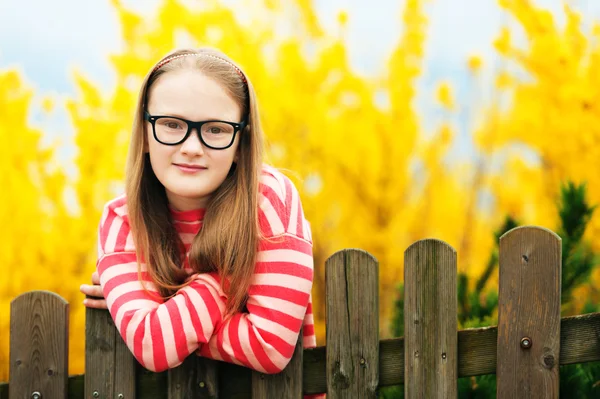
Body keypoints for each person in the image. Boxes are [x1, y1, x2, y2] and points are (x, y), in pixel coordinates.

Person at [79, 47, 319, 389]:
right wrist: (230, 284)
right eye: (171, 124)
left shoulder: (268, 202)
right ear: (145, 134)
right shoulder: (123, 221)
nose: (191, 146)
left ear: (242, 141)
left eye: (216, 130)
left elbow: (270, 346)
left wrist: (166, 307)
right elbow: (152, 347)